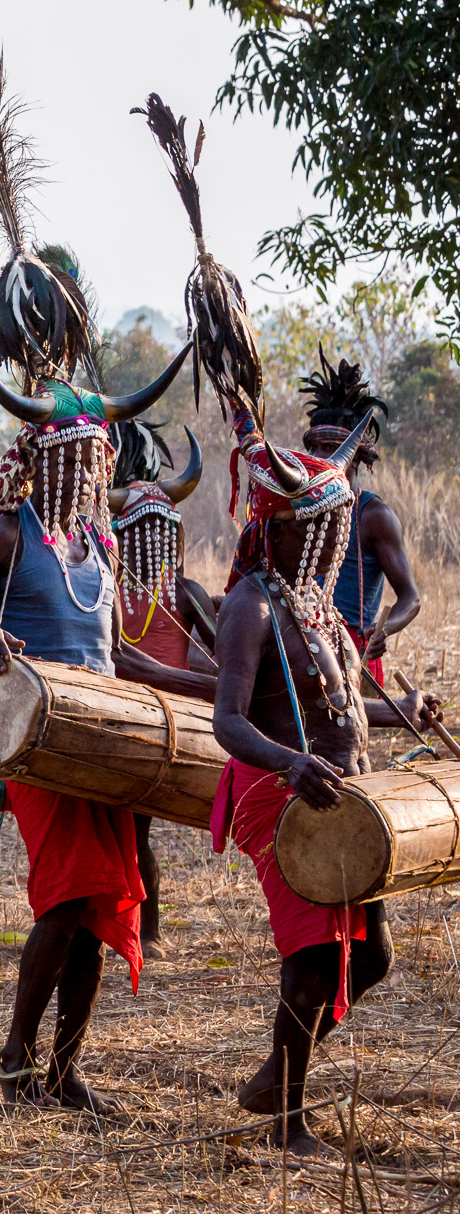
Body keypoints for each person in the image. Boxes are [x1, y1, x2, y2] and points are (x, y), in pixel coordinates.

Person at [0, 344, 208, 1111]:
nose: (87, 473)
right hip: (38, 743)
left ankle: (64, 1070)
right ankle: (16, 1056)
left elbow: (118, 653)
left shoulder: (101, 540)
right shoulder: (5, 534)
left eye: (95, 460)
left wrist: (210, 686)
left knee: (95, 914)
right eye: (74, 458)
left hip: (108, 740)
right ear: (42, 456)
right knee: (68, 899)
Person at [212, 404, 436, 1154]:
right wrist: (291, 762)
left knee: (370, 955)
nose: (332, 539)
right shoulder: (250, 604)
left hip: (337, 791)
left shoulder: (313, 603)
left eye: (335, 526)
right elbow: (229, 721)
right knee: (312, 955)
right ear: (280, 528)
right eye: (319, 527)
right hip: (278, 793)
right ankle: (288, 1122)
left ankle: (279, 1069)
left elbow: (335, 700)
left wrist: (396, 706)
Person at [107, 422, 216, 959]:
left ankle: (145, 930)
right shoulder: (102, 583)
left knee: (137, 832)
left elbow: (223, 662)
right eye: (144, 534)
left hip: (166, 729)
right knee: (117, 831)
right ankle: (117, 926)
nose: (154, 544)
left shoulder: (187, 593)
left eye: (161, 533)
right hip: (107, 719)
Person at [300, 353, 419, 684]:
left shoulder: (374, 515)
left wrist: (383, 629)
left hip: (353, 655)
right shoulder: (298, 509)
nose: (322, 458)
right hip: (300, 648)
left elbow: (411, 598)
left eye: (332, 448)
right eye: (317, 448)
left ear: (356, 456)